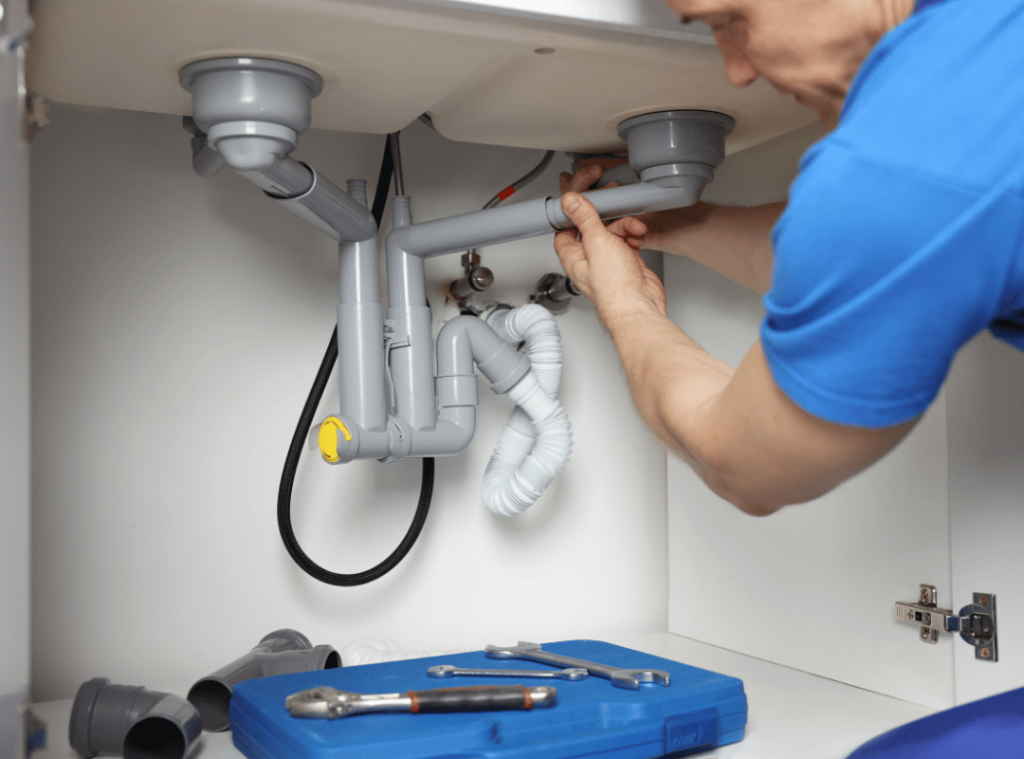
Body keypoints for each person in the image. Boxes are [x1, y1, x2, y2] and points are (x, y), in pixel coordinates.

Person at [554, 0, 1024, 515]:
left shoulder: (912, 157)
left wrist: (626, 305)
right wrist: (673, 222)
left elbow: (746, 468)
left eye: (730, 22)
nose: (738, 71)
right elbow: (893, 256)